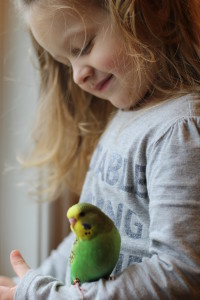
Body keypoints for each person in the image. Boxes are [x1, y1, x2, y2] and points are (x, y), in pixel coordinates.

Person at [1, 0, 200, 298]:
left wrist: (44, 296)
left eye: (82, 47)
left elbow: (180, 275)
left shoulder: (179, 133)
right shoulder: (124, 121)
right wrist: (32, 282)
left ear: (152, 7)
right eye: (66, 62)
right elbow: (81, 243)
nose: (77, 75)